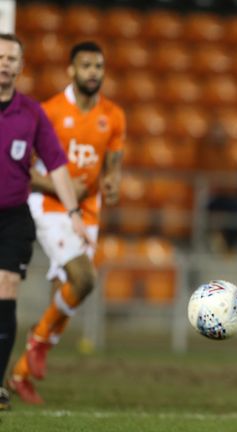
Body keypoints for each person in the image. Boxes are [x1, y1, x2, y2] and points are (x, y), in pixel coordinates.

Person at [8, 41, 125, 404]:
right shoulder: (49, 112)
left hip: (88, 210)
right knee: (84, 278)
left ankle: (20, 373)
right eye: (86, 65)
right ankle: (38, 341)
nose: (94, 72)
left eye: (98, 66)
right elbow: (21, 169)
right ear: (71, 71)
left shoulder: (113, 115)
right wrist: (57, 185)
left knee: (69, 295)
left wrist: (111, 181)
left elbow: (114, 165)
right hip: (51, 205)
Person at [0, 34, 88, 411]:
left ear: (20, 66)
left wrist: (72, 213)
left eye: (12, 58)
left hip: (14, 220)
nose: (5, 63)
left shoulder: (31, 113)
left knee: (5, 298)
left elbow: (57, 166)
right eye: (0, 56)